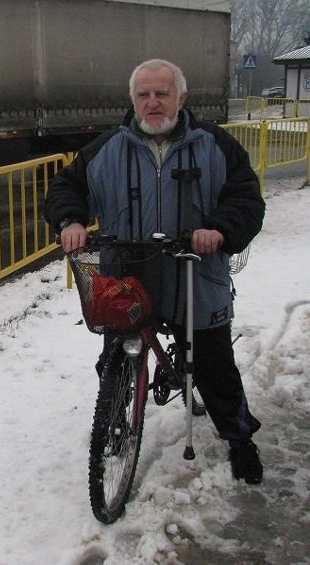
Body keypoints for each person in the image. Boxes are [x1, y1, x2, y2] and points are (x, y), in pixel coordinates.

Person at [44, 59, 266, 484]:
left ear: (181, 98)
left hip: (194, 277)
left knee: (214, 369)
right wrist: (70, 220)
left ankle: (240, 440)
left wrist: (219, 230)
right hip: (127, 277)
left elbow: (246, 200)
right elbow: (66, 187)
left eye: (162, 93)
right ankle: (113, 420)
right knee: (113, 358)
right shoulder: (106, 148)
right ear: (132, 99)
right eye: (143, 94)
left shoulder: (215, 145)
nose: (152, 103)